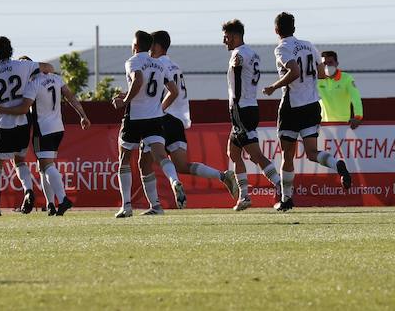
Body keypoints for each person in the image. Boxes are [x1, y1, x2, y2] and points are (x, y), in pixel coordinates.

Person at [261, 12, 353, 211]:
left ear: (276, 30)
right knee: (312, 152)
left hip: (292, 106)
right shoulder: (309, 45)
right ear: (294, 28)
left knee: (288, 155)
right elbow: (321, 74)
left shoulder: (282, 48)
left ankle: (286, 199)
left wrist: (273, 87)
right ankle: (337, 164)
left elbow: (293, 71)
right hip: (312, 105)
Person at [140, 30, 238, 210]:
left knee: (146, 161)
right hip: (177, 119)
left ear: (156, 46)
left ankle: (163, 197)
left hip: (161, 117)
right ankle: (222, 176)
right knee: (182, 165)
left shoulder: (155, 65)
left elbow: (160, 92)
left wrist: (158, 109)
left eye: (150, 45)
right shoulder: (175, 66)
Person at [110, 30, 185, 218]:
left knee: (124, 159)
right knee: (160, 156)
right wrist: (157, 107)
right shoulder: (159, 65)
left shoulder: (133, 61)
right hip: (154, 118)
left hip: (134, 117)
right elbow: (174, 91)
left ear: (135, 45)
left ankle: (126, 206)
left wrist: (125, 101)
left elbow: (138, 80)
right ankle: (173, 183)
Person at [220, 19, 284, 211]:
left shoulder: (238, 55)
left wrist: (236, 105)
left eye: (226, 37)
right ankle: (244, 196)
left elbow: (238, 82)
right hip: (249, 106)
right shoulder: (252, 53)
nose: (224, 41)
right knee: (233, 152)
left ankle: (281, 185)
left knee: (256, 155)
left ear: (235, 36)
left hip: (242, 109)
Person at [25, 58, 90, 216]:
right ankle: (51, 204)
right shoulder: (56, 78)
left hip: (43, 129)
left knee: (47, 166)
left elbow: (24, 106)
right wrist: (83, 115)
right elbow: (71, 97)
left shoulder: (33, 83)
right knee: (43, 167)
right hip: (58, 128)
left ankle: (63, 199)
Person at [0, 37, 41, 216]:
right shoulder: (22, 65)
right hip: (22, 122)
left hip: (2, 123)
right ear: (10, 49)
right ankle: (28, 190)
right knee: (20, 160)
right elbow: (47, 67)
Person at [317, 50, 363, 130]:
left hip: (343, 125)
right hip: (323, 126)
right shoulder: (317, 80)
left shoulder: (347, 79)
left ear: (336, 63)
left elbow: (356, 98)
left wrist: (358, 117)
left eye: (330, 62)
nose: (327, 66)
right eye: (324, 63)